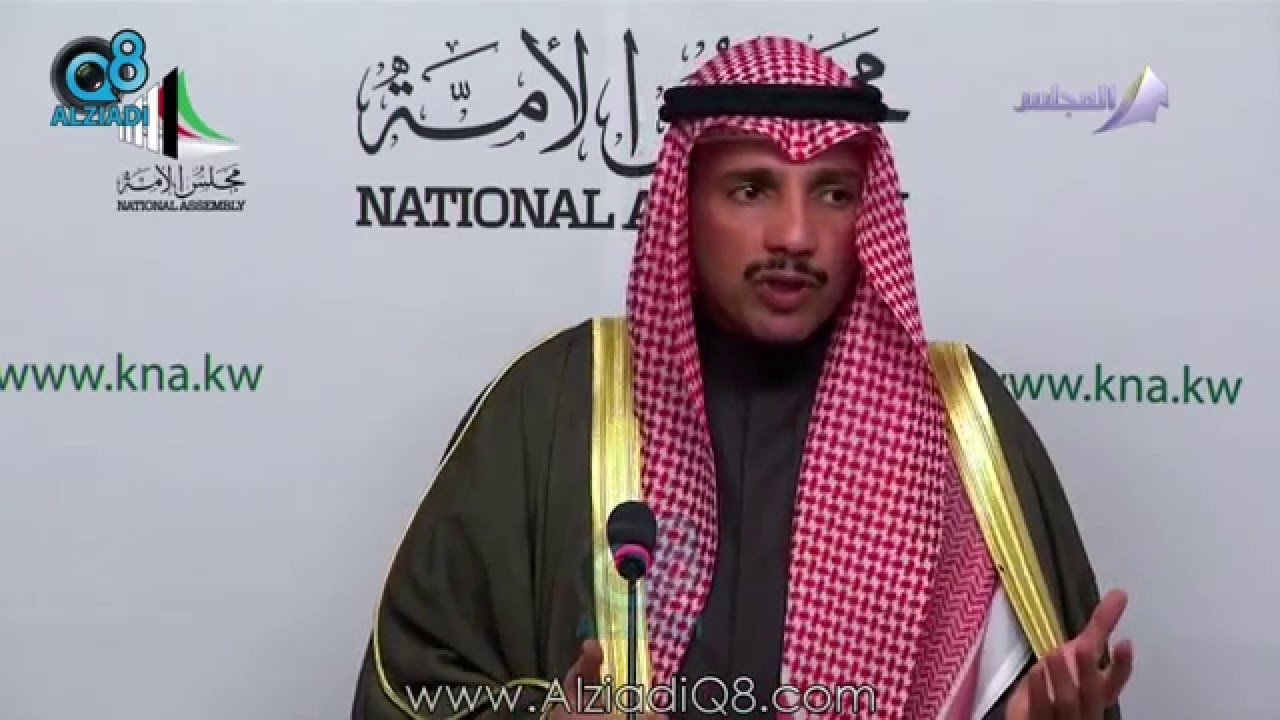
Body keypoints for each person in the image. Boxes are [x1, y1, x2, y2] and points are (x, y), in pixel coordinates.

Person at [350, 36, 1133, 720]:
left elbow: (1029, 688)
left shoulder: (959, 420)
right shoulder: (555, 407)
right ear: (684, 206)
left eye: (833, 193)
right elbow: (409, 687)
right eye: (752, 190)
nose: (795, 234)